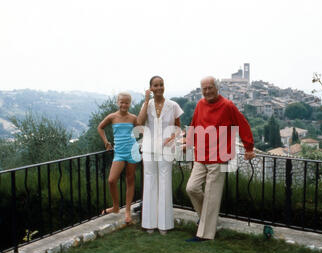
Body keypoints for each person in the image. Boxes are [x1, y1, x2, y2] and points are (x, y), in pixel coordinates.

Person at [184, 76, 255, 241]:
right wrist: (188, 142)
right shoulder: (200, 104)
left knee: (211, 196)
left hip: (219, 156)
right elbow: (194, 124)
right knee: (191, 188)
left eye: (210, 88)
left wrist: (249, 147)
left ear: (217, 88)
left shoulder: (227, 106)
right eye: (204, 89)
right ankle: (208, 219)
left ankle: (205, 234)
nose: (207, 91)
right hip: (201, 154)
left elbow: (242, 124)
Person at [137, 76, 184, 235]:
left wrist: (171, 138)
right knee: (149, 183)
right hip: (149, 149)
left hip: (166, 150)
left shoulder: (173, 106)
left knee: (164, 184)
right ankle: (149, 224)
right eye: (155, 85)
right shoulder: (147, 105)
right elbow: (139, 122)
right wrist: (145, 100)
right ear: (150, 87)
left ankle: (164, 225)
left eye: (161, 85)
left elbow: (178, 128)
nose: (159, 88)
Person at [98, 92, 141, 224]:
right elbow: (100, 127)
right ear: (118, 102)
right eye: (122, 102)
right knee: (111, 180)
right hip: (119, 153)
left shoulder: (133, 118)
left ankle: (127, 210)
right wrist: (106, 142)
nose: (124, 104)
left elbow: (140, 129)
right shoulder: (112, 117)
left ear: (130, 104)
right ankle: (116, 207)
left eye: (126, 102)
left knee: (130, 179)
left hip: (132, 151)